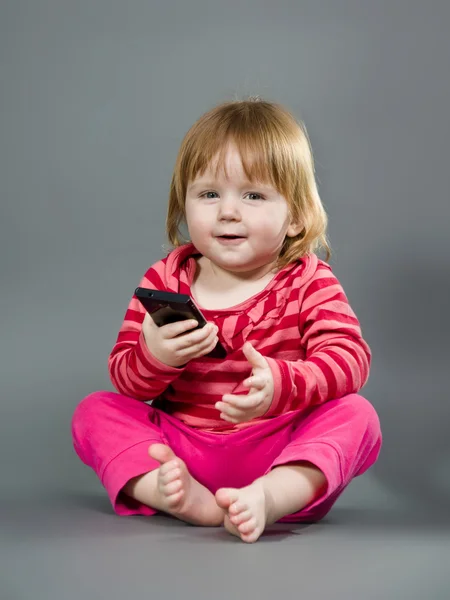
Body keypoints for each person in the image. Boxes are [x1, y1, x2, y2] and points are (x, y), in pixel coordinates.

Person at [71, 97, 382, 543]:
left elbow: (351, 360)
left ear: (295, 216)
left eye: (253, 195)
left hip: (278, 448)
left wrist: (283, 383)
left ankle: (269, 497)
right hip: (184, 450)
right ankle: (173, 492)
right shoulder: (167, 279)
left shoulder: (309, 281)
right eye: (209, 194)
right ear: (185, 204)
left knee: (357, 415)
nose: (228, 211)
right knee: (95, 411)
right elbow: (127, 379)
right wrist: (154, 355)